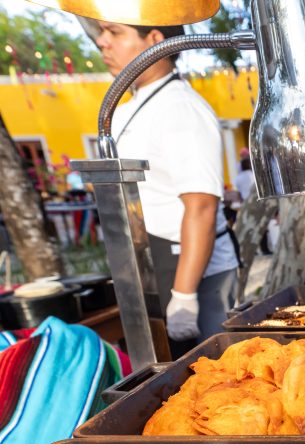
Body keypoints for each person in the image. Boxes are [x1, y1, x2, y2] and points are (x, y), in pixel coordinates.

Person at [95, 21, 238, 347]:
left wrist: (184, 295)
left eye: (114, 32)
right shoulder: (127, 110)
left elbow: (201, 206)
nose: (102, 42)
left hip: (194, 273)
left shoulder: (181, 109)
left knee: (211, 368)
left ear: (156, 40)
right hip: (152, 263)